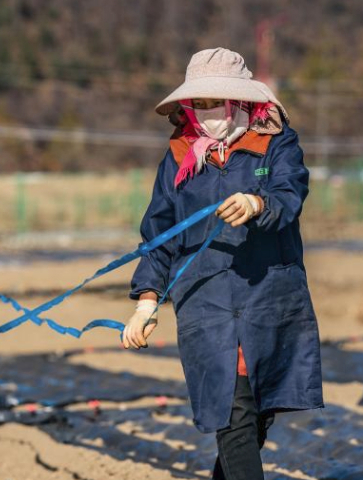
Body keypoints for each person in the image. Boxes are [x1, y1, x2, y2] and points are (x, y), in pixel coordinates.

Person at [123, 48, 323, 480]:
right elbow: (159, 233)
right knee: (232, 412)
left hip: (268, 296)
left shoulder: (276, 143)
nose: (206, 112)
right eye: (199, 104)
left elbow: (291, 194)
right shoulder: (177, 158)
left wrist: (258, 202)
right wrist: (146, 299)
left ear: (239, 102)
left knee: (254, 414)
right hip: (206, 301)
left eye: (215, 102)